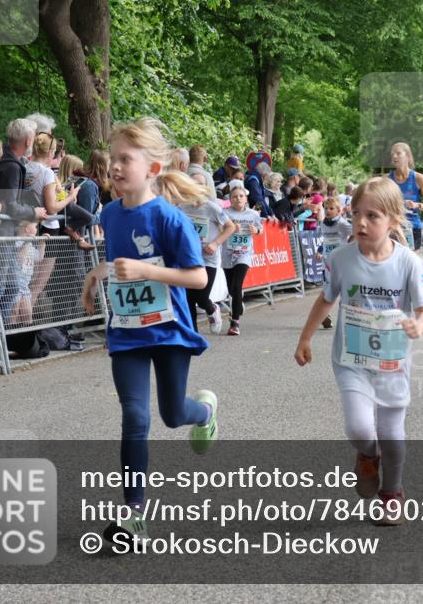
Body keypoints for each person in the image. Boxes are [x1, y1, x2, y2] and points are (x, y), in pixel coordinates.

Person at [80, 118, 218, 541]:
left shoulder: (170, 219)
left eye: (126, 159)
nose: (115, 167)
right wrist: (97, 275)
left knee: (173, 414)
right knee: (135, 418)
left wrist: (144, 270)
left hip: (170, 330)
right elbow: (121, 267)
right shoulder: (109, 214)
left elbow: (197, 279)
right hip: (127, 332)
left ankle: (206, 412)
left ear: (153, 169)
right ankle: (134, 513)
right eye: (113, 158)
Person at [294, 177, 423, 524]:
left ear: (392, 220)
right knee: (359, 428)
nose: (361, 222)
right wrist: (305, 338)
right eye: (356, 213)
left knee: (392, 434)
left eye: (372, 215)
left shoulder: (408, 263)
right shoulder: (342, 258)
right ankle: (368, 457)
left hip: (391, 360)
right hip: (351, 359)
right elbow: (326, 298)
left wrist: (420, 325)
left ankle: (392, 493)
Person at [164, 176, 236, 335]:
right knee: (189, 297)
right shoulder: (182, 208)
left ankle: (212, 308)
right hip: (188, 257)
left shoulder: (212, 207)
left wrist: (216, 243)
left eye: (200, 185)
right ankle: (192, 333)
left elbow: (231, 227)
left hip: (208, 258)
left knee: (201, 297)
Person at [222, 185, 262, 336]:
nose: (238, 198)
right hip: (227, 253)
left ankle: (235, 323)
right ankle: (239, 304)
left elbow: (260, 229)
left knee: (237, 285)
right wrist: (230, 228)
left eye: (240, 196)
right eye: (234, 196)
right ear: (230, 200)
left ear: (245, 199)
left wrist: (256, 231)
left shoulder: (253, 214)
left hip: (244, 254)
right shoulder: (224, 213)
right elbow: (219, 229)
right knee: (232, 289)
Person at [387, 142, 423, 250]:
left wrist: (417, 205)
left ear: (407, 156)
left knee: (410, 262)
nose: (394, 156)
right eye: (392, 154)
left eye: (398, 153)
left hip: (413, 227)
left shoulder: (418, 178)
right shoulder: (388, 180)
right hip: (394, 227)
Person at [317, 197, 353, 329]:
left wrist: (349, 247)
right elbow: (325, 239)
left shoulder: (342, 224)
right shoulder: (323, 224)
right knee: (327, 289)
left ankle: (346, 316)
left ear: (339, 211)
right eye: (326, 208)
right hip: (327, 262)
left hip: (341, 262)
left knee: (344, 290)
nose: (328, 211)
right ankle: (324, 315)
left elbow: (355, 234)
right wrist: (320, 250)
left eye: (331, 208)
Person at [244, 151, 275, 219]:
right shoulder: (253, 181)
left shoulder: (255, 179)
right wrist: (265, 216)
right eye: (267, 176)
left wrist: (271, 214)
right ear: (264, 175)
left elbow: (261, 200)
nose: (267, 179)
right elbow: (258, 200)